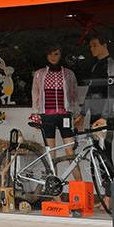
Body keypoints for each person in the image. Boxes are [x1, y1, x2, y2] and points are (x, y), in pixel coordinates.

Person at [32, 43, 80, 179]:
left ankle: (81, 185)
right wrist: (36, 114)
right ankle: (55, 192)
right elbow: (35, 95)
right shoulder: (39, 74)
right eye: (50, 54)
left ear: (61, 55)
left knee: (70, 151)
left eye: (56, 54)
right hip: (47, 116)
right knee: (51, 153)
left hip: (65, 115)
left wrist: (76, 114)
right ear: (46, 55)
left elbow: (74, 94)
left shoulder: (69, 74)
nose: (53, 57)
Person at [79, 33, 114, 161]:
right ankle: (99, 181)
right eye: (91, 46)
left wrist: (105, 117)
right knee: (95, 156)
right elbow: (91, 91)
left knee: (105, 155)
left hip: (106, 116)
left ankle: (111, 181)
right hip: (95, 115)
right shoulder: (96, 66)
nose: (92, 48)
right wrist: (82, 114)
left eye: (95, 45)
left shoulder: (112, 65)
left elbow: (112, 93)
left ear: (104, 45)